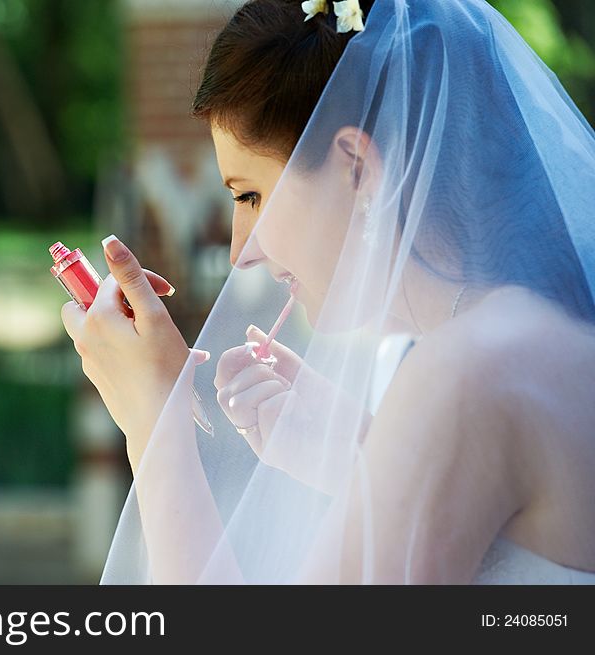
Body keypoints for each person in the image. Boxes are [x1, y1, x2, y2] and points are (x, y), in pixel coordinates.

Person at [61, 0, 595, 583]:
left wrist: (154, 425)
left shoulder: (468, 373)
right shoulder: (529, 335)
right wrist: (365, 458)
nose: (243, 250)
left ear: (357, 168)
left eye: (250, 196)